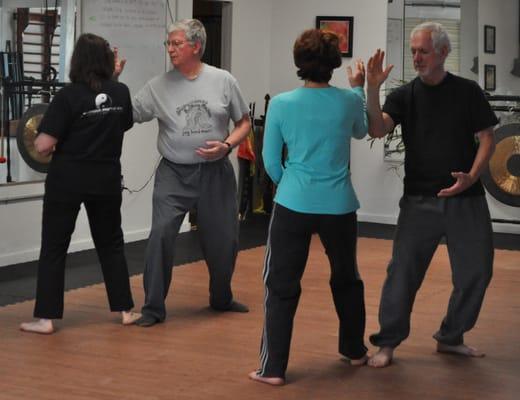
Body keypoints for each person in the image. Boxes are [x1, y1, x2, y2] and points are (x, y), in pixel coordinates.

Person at [365, 22, 497, 367]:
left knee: (477, 271)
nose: (416, 57)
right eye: (413, 51)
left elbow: (486, 138)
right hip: (419, 201)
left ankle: (451, 337)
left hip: (466, 200)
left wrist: (471, 177)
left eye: (423, 50)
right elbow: (378, 129)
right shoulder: (405, 95)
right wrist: (372, 89)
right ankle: (388, 343)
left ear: (442, 52)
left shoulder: (468, 92)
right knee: (403, 274)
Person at [248, 29, 369, 386]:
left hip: (293, 205)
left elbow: (269, 159)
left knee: (281, 284)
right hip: (340, 206)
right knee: (347, 279)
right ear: (334, 64)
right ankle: (354, 350)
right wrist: (359, 87)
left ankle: (272, 369)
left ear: (299, 63)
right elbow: (362, 132)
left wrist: (290, 184)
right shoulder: (348, 101)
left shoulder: (283, 104)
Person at [116, 19, 251, 327]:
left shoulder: (223, 80)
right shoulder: (157, 86)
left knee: (223, 240)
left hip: (216, 172)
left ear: (196, 46)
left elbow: (243, 122)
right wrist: (113, 82)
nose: (170, 49)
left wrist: (227, 146)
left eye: (176, 43)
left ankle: (221, 298)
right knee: (161, 234)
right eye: (169, 43)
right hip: (174, 174)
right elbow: (128, 115)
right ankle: (152, 308)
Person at [20, 33, 140, 334]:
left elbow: (44, 146)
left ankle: (46, 319)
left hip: (67, 182)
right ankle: (126, 311)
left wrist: (39, 135)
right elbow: (123, 123)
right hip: (106, 181)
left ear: (77, 61)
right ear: (106, 62)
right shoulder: (121, 92)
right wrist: (113, 81)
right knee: (111, 244)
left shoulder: (68, 96)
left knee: (54, 247)